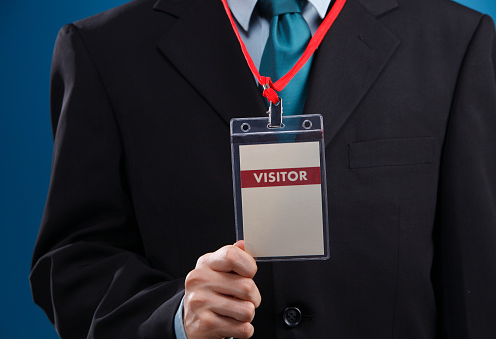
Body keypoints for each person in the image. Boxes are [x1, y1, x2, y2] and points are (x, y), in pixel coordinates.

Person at [30, 0, 496, 338]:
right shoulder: (103, 50)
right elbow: (73, 263)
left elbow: (476, 274)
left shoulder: (455, 42)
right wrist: (172, 317)